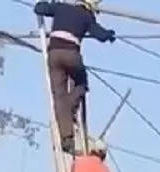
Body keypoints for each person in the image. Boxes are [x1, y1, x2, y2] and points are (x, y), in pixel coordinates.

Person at [34, 0, 116, 154]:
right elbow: (100, 34)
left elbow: (39, 9)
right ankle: (70, 106)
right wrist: (109, 35)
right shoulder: (87, 17)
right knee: (81, 84)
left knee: (58, 96)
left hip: (54, 55)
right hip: (71, 55)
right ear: (90, 8)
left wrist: (47, 4)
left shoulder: (61, 7)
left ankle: (67, 138)